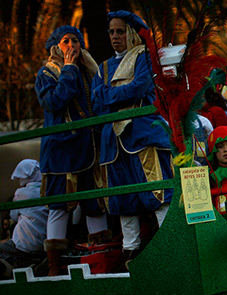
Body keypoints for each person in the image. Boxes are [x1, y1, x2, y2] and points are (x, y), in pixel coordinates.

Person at [92, 10, 174, 267]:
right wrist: (119, 94)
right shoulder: (103, 67)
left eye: (120, 31)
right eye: (111, 32)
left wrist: (109, 94)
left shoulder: (144, 57)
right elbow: (95, 102)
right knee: (122, 199)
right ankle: (131, 253)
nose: (115, 36)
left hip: (143, 133)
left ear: (130, 32)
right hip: (112, 142)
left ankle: (170, 245)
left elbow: (141, 88)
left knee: (158, 192)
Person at [35, 25, 110, 276]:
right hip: (61, 152)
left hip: (89, 149)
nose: (72, 46)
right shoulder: (46, 73)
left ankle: (101, 257)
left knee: (94, 204)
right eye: (66, 42)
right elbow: (54, 101)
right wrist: (67, 70)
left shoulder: (91, 71)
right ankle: (54, 266)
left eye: (76, 41)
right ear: (56, 46)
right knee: (59, 206)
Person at [0, 160, 48, 279]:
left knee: (2, 251)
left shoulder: (21, 193)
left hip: (23, 243)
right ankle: (31, 264)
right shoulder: (48, 190)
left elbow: (14, 216)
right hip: (46, 242)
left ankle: (16, 270)